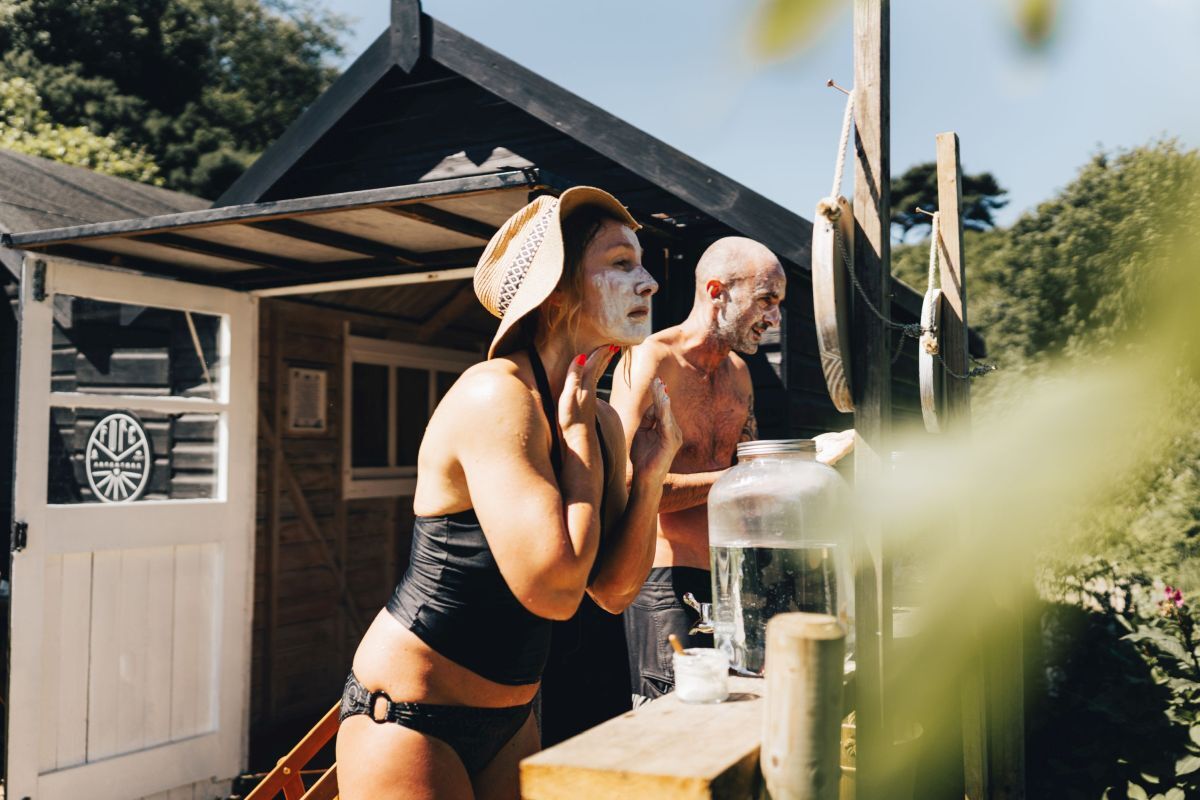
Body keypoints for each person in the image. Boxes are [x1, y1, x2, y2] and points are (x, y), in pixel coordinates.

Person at [336, 187, 682, 800]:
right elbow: (554, 590)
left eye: (643, 263)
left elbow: (613, 591)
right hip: (410, 715)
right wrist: (577, 438)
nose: (649, 282)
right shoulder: (496, 394)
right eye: (621, 263)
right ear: (557, 292)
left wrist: (650, 476)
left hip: (511, 719)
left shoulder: (601, 419)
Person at [610, 236, 853, 704]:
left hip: (739, 578)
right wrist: (748, 479)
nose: (774, 318)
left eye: (778, 304)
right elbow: (624, 485)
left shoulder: (739, 374)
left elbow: (752, 487)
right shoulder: (651, 359)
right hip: (667, 583)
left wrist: (807, 463)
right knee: (678, 722)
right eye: (766, 300)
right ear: (717, 292)